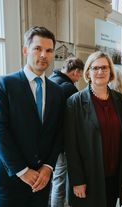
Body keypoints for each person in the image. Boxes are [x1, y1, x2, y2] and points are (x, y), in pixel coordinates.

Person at [0, 26, 65, 207]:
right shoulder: (5, 84)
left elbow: (59, 132)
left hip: (42, 180)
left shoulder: (57, 91)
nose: (43, 55)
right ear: (25, 51)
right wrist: (22, 171)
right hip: (10, 178)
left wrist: (48, 167)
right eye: (37, 49)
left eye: (49, 50)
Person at [64, 51, 122, 207]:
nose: (100, 72)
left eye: (105, 68)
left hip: (114, 175)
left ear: (110, 71)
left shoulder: (119, 100)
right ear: (88, 72)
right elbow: (71, 146)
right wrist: (77, 180)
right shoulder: (75, 102)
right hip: (89, 177)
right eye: (95, 68)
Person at [48, 57, 84, 207]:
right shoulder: (69, 87)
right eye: (80, 75)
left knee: (50, 179)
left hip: (47, 140)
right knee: (59, 180)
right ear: (76, 71)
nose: (78, 79)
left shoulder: (50, 79)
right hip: (61, 141)